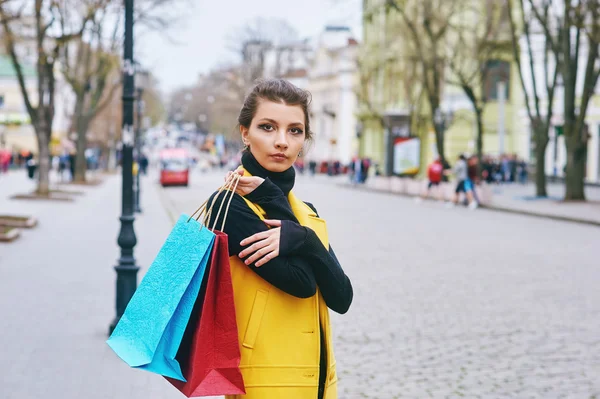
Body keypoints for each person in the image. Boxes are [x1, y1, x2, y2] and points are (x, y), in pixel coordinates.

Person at [206, 79, 353, 399]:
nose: (282, 141)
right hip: (264, 383)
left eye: (295, 130)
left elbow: (342, 297)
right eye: (268, 127)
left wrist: (303, 239)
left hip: (316, 383)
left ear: (305, 138)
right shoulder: (230, 206)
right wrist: (298, 231)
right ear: (245, 132)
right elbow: (302, 284)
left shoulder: (305, 213)